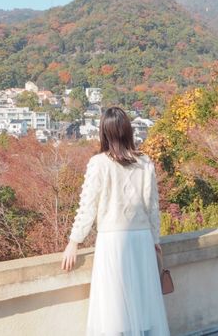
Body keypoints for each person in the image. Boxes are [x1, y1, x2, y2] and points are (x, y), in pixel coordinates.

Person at [62, 106, 170, 336]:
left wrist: (74, 241)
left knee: (113, 307)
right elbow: (152, 207)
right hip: (141, 240)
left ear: (104, 132)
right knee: (143, 305)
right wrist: (155, 239)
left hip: (113, 241)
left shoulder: (99, 163)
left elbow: (87, 206)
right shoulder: (145, 162)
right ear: (128, 131)